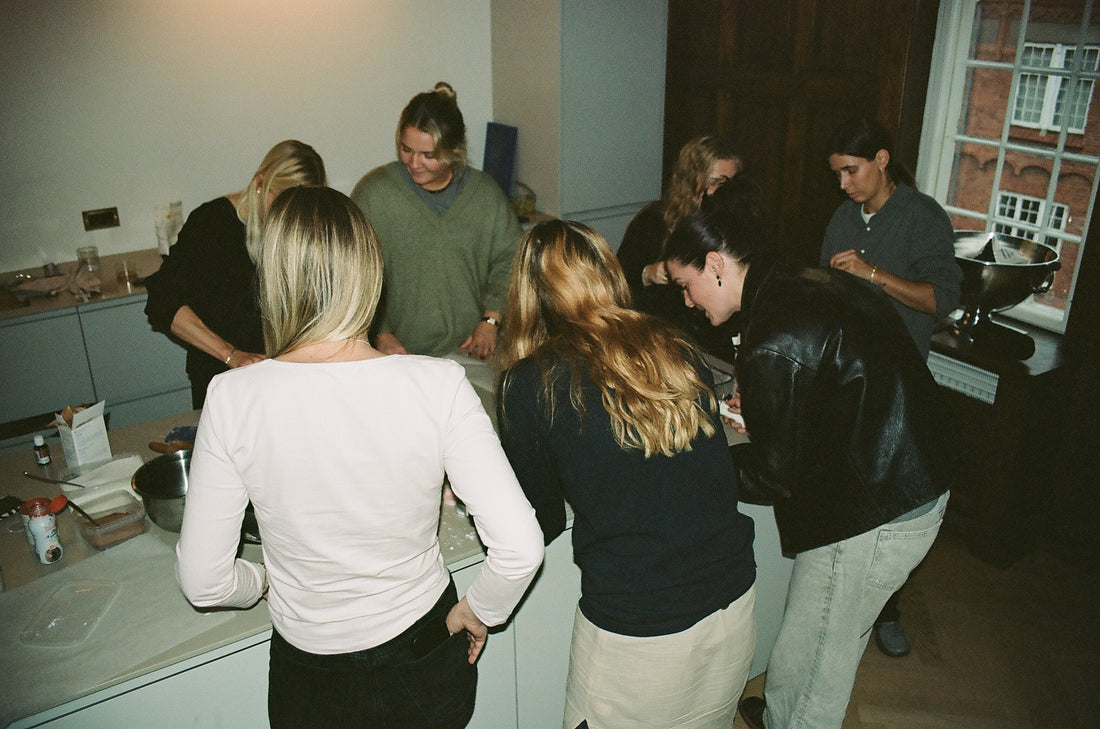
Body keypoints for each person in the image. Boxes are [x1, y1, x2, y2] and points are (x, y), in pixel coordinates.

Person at [175, 186, 544, 729]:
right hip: (424, 650)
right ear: (370, 271)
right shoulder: (437, 383)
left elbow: (204, 581)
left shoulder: (232, 396)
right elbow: (519, 547)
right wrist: (478, 610)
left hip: (311, 676)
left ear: (273, 279)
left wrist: (261, 581)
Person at [664, 177, 951, 729]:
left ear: (716, 264)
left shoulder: (775, 331)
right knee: (813, 630)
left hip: (877, 506)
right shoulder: (794, 279)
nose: (686, 301)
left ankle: (793, 718)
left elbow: (774, 475)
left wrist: (692, 459)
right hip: (905, 471)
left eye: (686, 285)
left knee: (821, 654)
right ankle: (782, 711)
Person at [497, 219, 757, 729]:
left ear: (528, 296)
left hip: (640, 631)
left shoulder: (529, 383)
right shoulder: (675, 345)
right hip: (734, 603)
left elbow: (538, 522)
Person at [821, 117, 962, 657]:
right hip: (846, 379)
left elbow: (940, 300)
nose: (843, 184)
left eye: (851, 171)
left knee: (887, 507)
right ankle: (834, 596)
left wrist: (872, 274)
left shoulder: (922, 216)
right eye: (837, 174)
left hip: (898, 388)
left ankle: (885, 611)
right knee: (843, 498)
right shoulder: (843, 217)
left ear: (882, 160)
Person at [145, 140, 327, 408]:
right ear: (260, 182)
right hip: (224, 382)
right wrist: (231, 355)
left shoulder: (299, 227)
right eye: (280, 203)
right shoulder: (210, 224)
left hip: (280, 381)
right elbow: (163, 302)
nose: (287, 217)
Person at [351, 82, 522, 360]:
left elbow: (512, 260)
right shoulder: (374, 194)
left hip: (469, 352)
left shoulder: (485, 195)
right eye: (406, 149)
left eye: (428, 155)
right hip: (399, 355)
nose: (414, 163)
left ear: (454, 150)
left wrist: (491, 319)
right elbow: (351, 270)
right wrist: (380, 332)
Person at [616, 134, 743, 360]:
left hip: (712, 340)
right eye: (717, 182)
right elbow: (617, 283)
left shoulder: (733, 224)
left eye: (732, 183)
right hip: (660, 339)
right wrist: (647, 274)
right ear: (691, 180)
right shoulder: (653, 221)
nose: (727, 192)